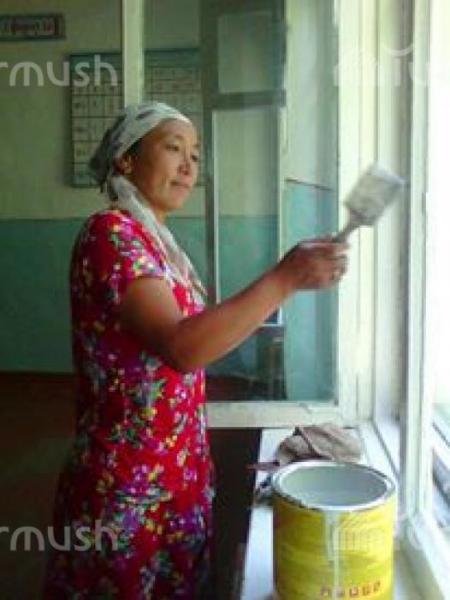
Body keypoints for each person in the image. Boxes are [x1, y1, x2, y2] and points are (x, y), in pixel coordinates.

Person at [42, 101, 348, 599]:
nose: (189, 166)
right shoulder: (110, 235)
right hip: (127, 483)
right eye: (173, 148)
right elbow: (183, 347)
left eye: (195, 155)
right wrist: (284, 278)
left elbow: (203, 335)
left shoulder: (156, 242)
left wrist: (286, 282)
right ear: (126, 159)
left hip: (178, 468)